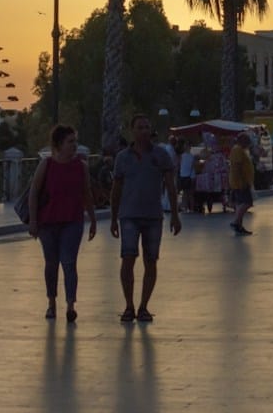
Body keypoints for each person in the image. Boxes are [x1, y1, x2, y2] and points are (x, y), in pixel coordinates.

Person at [109, 113, 180, 323]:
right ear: (132, 130)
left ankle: (143, 306)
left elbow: (170, 186)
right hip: (128, 215)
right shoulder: (123, 158)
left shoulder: (161, 155)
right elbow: (116, 188)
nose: (144, 131)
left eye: (147, 127)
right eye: (140, 127)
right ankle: (129, 305)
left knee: (151, 261)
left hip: (153, 216)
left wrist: (175, 215)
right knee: (128, 259)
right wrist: (113, 218)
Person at [27, 124, 96, 322]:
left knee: (69, 262)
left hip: (72, 222)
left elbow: (86, 194)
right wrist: (33, 220)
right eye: (70, 142)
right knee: (51, 263)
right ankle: (51, 302)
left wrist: (92, 219)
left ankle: (71, 304)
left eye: (75, 141)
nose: (74, 146)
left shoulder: (80, 167)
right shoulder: (46, 165)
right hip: (48, 223)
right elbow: (34, 192)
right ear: (59, 144)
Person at [228, 132, 256, 236]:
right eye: (247, 141)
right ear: (242, 141)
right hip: (240, 182)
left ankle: (239, 226)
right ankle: (236, 222)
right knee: (247, 202)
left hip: (241, 181)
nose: (249, 143)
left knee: (240, 203)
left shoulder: (241, 150)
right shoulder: (238, 150)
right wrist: (241, 181)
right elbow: (237, 167)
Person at [175, 137, 196, 212]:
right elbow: (193, 166)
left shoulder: (182, 156)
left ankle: (186, 208)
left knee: (186, 194)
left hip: (185, 176)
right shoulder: (191, 156)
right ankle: (189, 208)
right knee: (188, 194)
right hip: (189, 176)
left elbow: (178, 165)